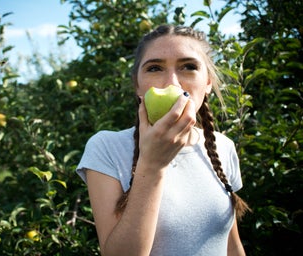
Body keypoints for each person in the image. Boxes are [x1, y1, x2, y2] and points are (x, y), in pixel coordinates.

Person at [76, 24, 250, 256]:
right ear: (138, 85)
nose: (172, 84)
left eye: (188, 66)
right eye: (154, 68)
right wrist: (152, 164)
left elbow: (231, 244)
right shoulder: (107, 148)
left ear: (208, 82)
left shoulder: (222, 146)